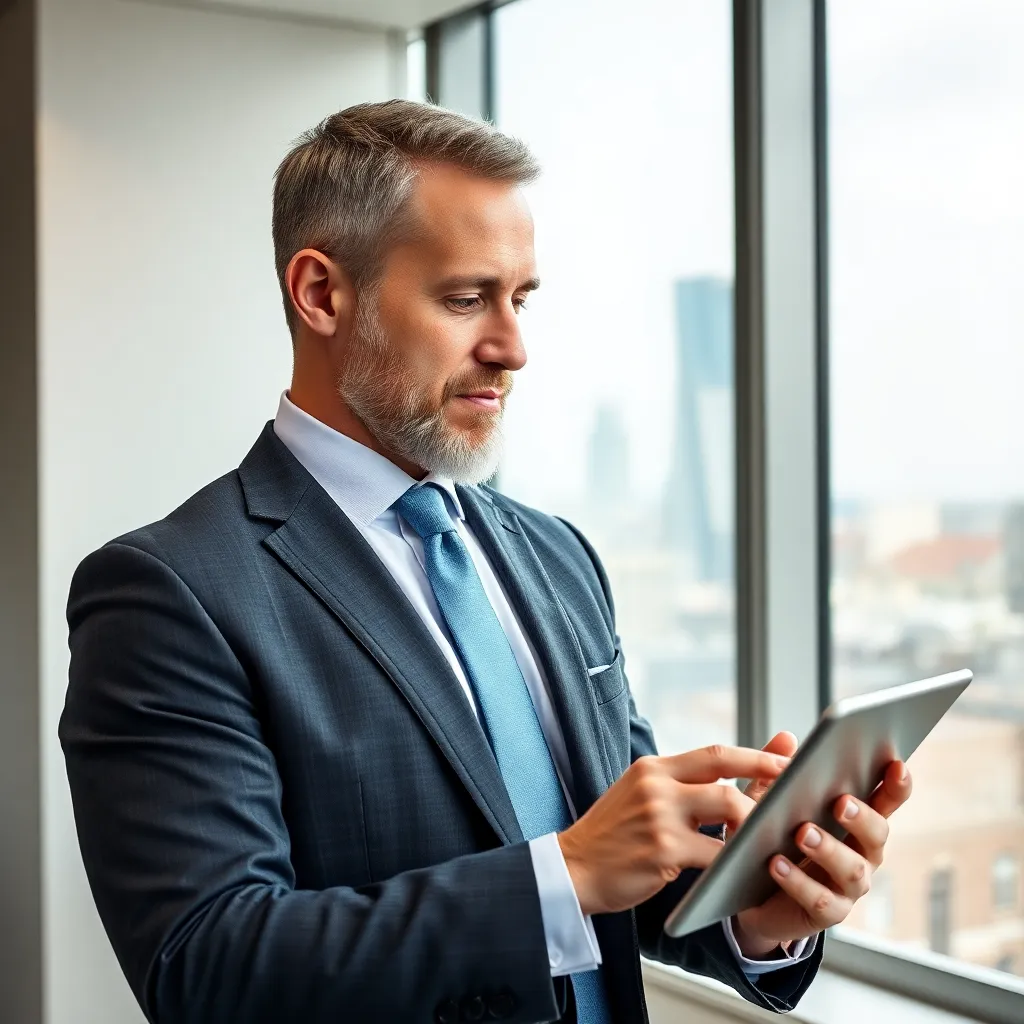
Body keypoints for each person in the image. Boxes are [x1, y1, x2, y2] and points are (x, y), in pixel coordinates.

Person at [61, 100, 911, 1024]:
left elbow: (625, 872)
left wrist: (762, 910)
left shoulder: (555, 555)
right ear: (320, 294)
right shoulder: (168, 593)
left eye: (522, 298)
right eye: (467, 300)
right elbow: (209, 968)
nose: (512, 348)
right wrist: (566, 871)